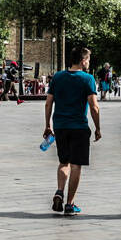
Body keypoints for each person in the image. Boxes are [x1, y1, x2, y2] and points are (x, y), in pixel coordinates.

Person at [43, 46, 101, 216]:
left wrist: (47, 125)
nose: (89, 63)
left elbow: (48, 103)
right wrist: (98, 128)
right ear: (83, 61)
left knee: (63, 162)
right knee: (76, 166)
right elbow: (94, 107)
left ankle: (59, 191)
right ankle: (70, 204)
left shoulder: (58, 77)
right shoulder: (88, 79)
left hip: (60, 126)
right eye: (88, 59)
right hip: (79, 127)